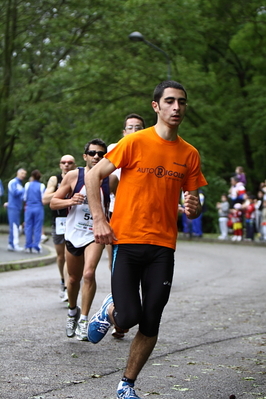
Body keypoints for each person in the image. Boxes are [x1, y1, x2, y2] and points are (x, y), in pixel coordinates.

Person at [85, 80, 207, 399]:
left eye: (182, 102)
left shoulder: (189, 154)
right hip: (126, 241)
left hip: (163, 247)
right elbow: (93, 175)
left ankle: (126, 384)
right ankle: (110, 311)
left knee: (151, 320)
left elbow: (192, 207)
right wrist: (99, 219)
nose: (176, 107)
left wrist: (193, 209)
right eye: (170, 101)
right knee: (129, 317)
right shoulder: (135, 142)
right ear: (157, 106)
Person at [50, 139, 118, 341]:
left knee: (89, 274)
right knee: (73, 279)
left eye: (101, 154)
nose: (97, 157)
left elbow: (122, 201)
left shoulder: (111, 179)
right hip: (73, 234)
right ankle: (73, 311)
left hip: (95, 234)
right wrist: (71, 200)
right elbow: (54, 202)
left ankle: (84, 320)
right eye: (93, 153)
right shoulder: (74, 176)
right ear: (85, 156)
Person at [107, 113, 146, 339]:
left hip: (143, 216)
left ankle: (122, 315)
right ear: (124, 132)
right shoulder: (117, 147)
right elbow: (108, 180)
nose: (133, 130)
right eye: (129, 127)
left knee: (137, 270)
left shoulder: (151, 147)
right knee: (117, 268)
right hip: (117, 213)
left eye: (138, 127)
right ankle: (118, 316)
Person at [42, 155, 76, 301]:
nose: (66, 165)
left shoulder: (78, 178)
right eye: (64, 162)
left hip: (74, 220)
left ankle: (69, 287)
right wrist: (64, 192)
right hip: (59, 221)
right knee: (61, 256)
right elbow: (45, 199)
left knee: (70, 255)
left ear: (75, 165)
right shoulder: (54, 179)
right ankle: (63, 281)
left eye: (70, 163)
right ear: (60, 165)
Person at [24, 170, 46, 253]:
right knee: (37, 226)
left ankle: (28, 245)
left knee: (28, 226)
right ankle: (36, 245)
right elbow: (43, 198)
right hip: (38, 207)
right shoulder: (41, 186)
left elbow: (25, 197)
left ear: (32, 176)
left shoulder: (27, 185)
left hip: (29, 207)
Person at [7, 168, 27, 251]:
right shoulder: (13, 182)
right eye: (22, 173)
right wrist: (25, 189)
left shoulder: (20, 184)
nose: (23, 175)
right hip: (13, 207)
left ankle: (11, 244)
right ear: (17, 173)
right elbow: (14, 193)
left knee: (15, 226)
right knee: (14, 226)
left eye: (25, 174)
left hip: (18, 207)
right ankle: (14, 244)